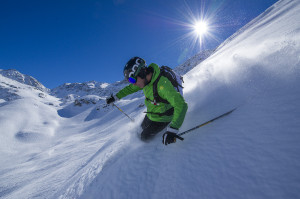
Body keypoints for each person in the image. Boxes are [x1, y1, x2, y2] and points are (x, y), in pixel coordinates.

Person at [106, 57, 188, 145]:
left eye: (133, 79)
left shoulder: (162, 85)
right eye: (130, 80)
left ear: (142, 72)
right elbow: (129, 89)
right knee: (139, 130)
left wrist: (173, 130)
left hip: (163, 118)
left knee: (144, 138)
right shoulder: (143, 81)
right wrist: (115, 97)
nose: (133, 83)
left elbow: (181, 105)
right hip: (151, 114)